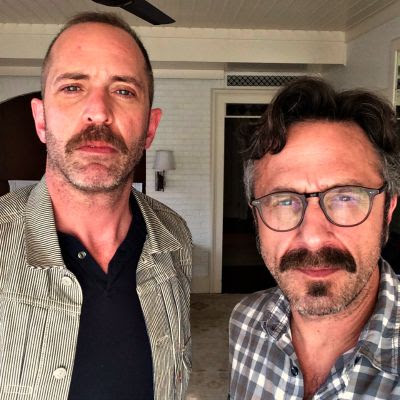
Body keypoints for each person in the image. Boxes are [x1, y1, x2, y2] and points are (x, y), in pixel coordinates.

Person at [0, 12, 192, 400]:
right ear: (41, 120)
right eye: (73, 87)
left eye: (124, 91)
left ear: (150, 127)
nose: (99, 111)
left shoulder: (175, 237)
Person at [229, 77, 400, 399]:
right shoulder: (246, 322)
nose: (313, 238)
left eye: (345, 197)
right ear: (256, 217)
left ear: (388, 209)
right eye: (283, 200)